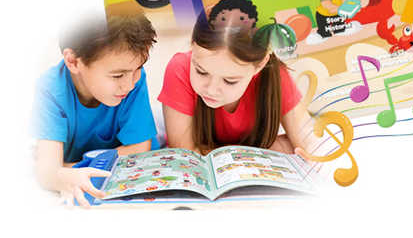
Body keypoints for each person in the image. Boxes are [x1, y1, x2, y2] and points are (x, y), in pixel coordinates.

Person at [33, 15, 157, 207]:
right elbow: (47, 171)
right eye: (117, 75)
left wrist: (65, 169)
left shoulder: (133, 78)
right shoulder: (50, 89)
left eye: (138, 68)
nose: (130, 84)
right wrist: (60, 174)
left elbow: (139, 149)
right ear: (73, 61)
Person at [159, 11, 309, 155]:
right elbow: (186, 153)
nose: (211, 90)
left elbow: (307, 144)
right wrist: (269, 149)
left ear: (260, 64)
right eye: (201, 71)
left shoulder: (275, 75)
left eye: (229, 81)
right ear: (192, 45)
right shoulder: (180, 68)